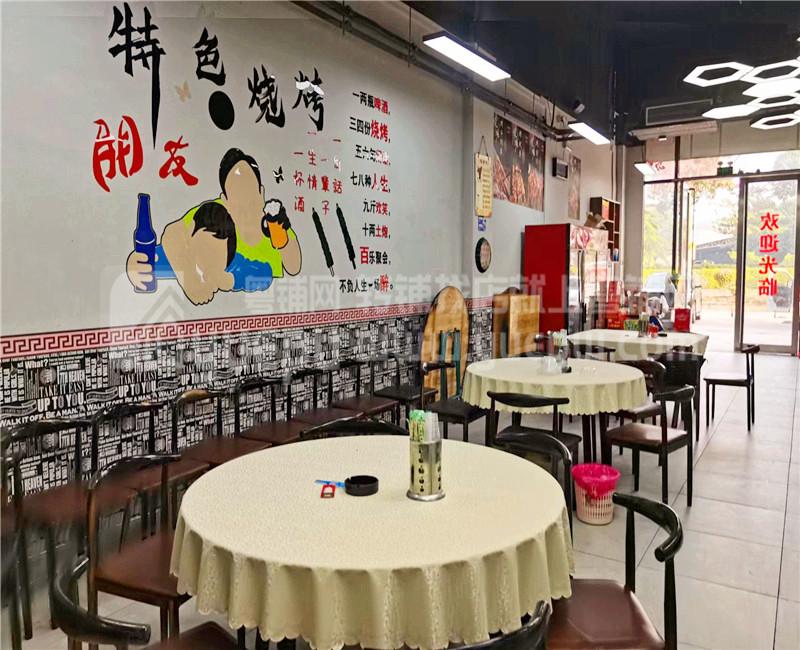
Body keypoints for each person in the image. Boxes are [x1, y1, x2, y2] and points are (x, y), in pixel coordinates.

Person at [127, 147, 302, 299]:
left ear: (261, 193)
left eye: (251, 198)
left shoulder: (274, 223)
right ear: (225, 200)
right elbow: (174, 235)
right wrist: (189, 280)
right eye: (238, 199)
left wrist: (284, 243)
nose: (246, 208)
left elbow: (293, 268)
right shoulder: (216, 215)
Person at [128, 201, 236, 305]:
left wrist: (229, 281)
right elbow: (172, 235)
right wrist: (133, 267)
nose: (208, 258)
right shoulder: (168, 258)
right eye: (205, 248)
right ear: (190, 232)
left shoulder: (229, 263)